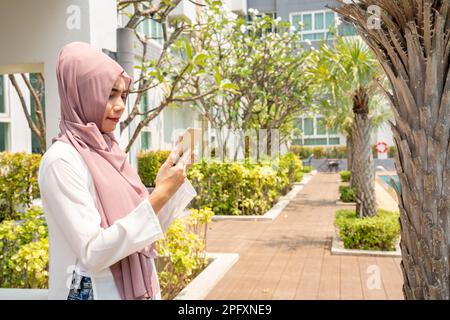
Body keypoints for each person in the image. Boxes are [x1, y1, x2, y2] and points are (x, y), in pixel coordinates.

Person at [37, 42, 196, 300]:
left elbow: (145, 231)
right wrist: (158, 196)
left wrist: (168, 188)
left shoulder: (108, 150)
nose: (121, 105)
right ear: (82, 94)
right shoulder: (62, 161)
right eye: (109, 94)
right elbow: (93, 251)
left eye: (123, 95)